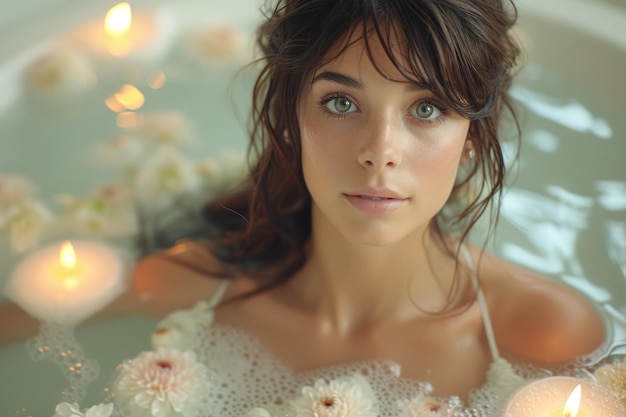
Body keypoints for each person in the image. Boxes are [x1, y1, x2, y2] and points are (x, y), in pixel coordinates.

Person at [0, 0, 607, 413]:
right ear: (290, 116)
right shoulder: (191, 285)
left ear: (472, 137)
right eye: (341, 103)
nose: (379, 153)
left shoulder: (547, 335)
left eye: (427, 109)